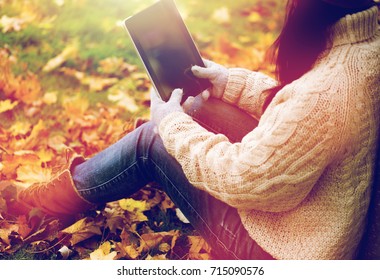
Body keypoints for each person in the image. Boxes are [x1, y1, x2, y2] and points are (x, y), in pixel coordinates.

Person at [16, 0, 380, 260]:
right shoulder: (366, 44)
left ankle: (43, 203)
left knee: (154, 140)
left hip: (285, 251)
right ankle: (88, 178)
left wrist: (171, 126)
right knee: (197, 105)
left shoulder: (329, 92)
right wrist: (226, 81)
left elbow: (248, 179)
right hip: (316, 222)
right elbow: (298, 110)